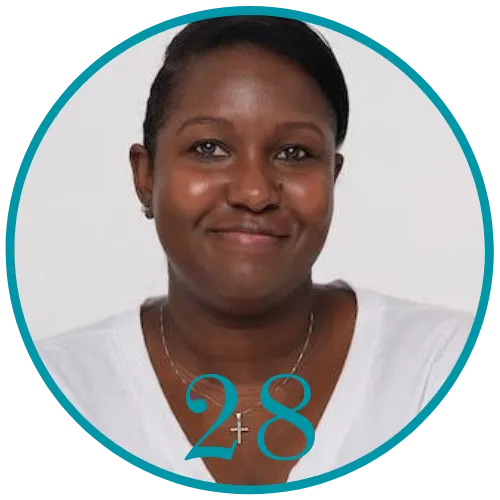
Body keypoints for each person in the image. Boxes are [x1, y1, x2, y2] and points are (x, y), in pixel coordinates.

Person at [35, 16, 474, 486]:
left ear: (332, 177)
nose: (254, 192)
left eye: (294, 153)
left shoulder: (441, 365)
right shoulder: (63, 384)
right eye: (209, 148)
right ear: (146, 176)